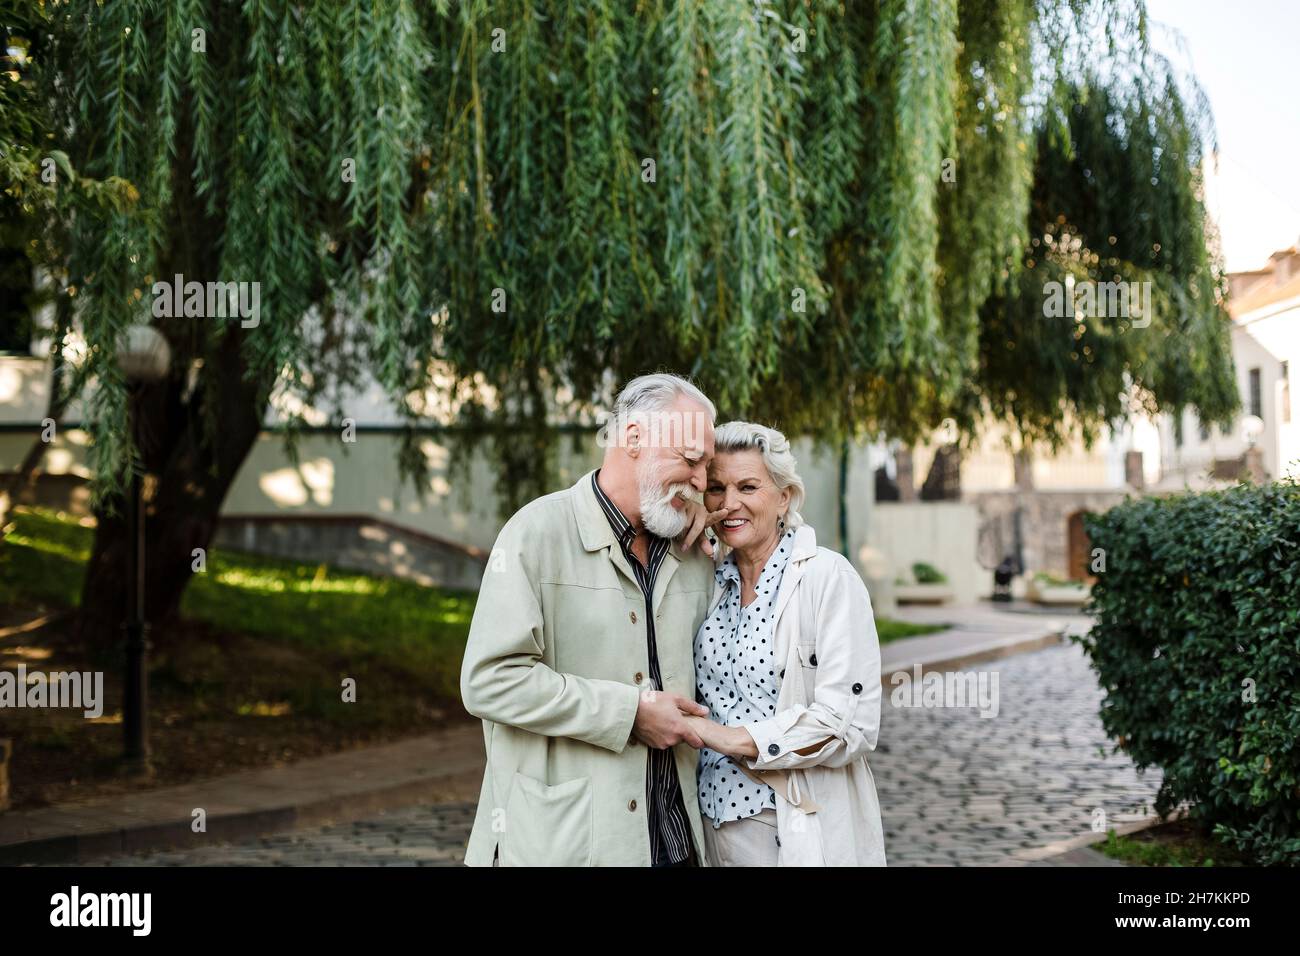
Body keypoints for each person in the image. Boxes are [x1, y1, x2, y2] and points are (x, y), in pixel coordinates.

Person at [459, 372, 724, 866]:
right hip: (567, 847)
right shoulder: (535, 534)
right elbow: (488, 682)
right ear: (633, 439)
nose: (702, 482)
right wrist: (630, 714)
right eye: (691, 461)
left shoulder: (694, 553)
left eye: (707, 467)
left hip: (679, 843)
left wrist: (728, 540)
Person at [684, 421, 886, 866]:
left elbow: (849, 723)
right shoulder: (704, 580)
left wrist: (732, 738)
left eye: (748, 486)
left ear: (784, 497)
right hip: (707, 820)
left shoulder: (826, 578)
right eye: (716, 488)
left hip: (792, 821)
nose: (729, 503)